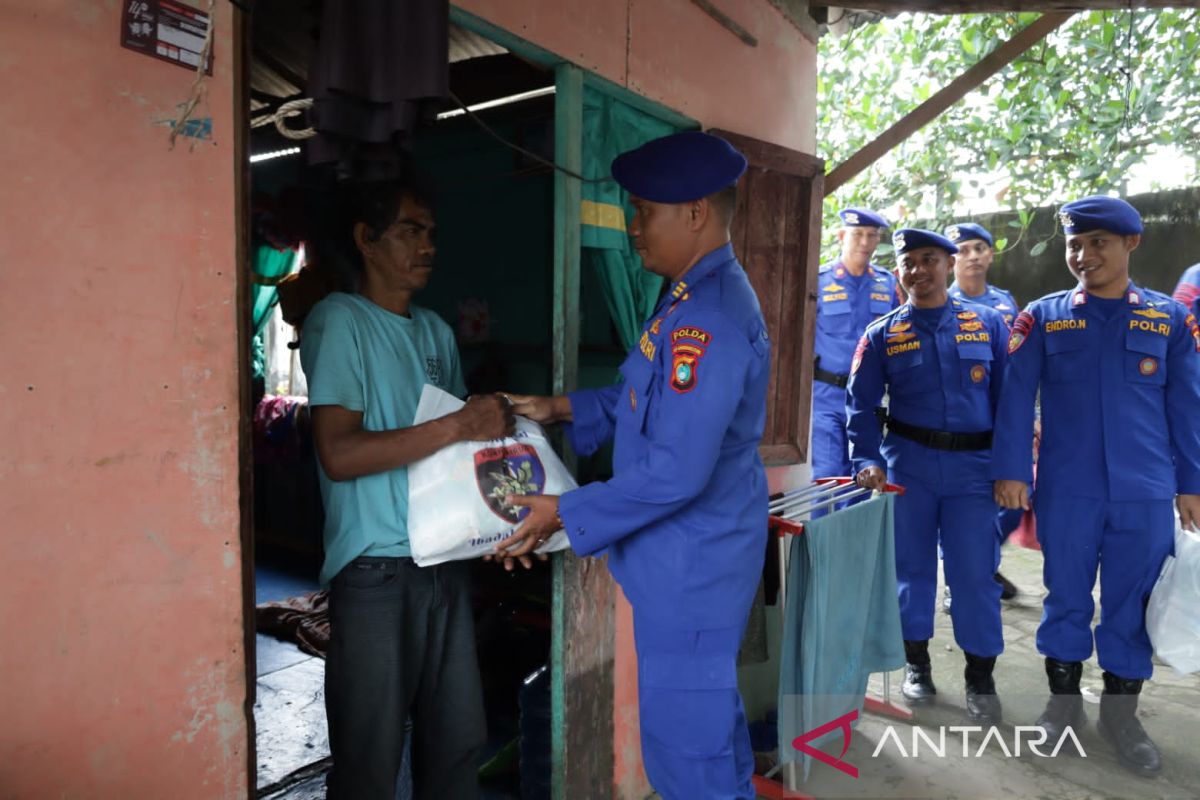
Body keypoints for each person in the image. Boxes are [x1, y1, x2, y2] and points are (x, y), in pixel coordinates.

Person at [495, 131, 770, 800]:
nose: (633, 228)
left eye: (644, 210)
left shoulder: (708, 318)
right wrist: (560, 408)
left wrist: (564, 511)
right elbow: (646, 403)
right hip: (689, 561)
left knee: (685, 756)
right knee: (709, 733)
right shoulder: (684, 298)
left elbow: (678, 469)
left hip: (693, 568)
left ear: (696, 212)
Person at [300, 176, 515, 800]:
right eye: (409, 231)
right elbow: (339, 454)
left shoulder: (435, 333)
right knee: (370, 755)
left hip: (443, 558)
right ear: (366, 240)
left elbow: (451, 457)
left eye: (431, 234)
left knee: (456, 741)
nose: (427, 246)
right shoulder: (340, 322)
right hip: (376, 569)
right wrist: (460, 423)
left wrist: (497, 526)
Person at [992, 195, 1200, 778]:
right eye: (1074, 245)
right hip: (1068, 488)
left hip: (1145, 489)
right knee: (1065, 599)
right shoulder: (1044, 315)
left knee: (1129, 605)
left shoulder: (1170, 319)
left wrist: (1192, 483)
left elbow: (1188, 408)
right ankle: (1063, 707)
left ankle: (1121, 715)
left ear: (1130, 244)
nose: (1083, 256)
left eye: (1097, 243)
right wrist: (1011, 471)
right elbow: (1014, 398)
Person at [847, 228, 1009, 723]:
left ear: (948, 263)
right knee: (910, 572)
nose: (918, 270)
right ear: (899, 270)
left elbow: (1011, 402)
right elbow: (860, 405)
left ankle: (980, 675)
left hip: (973, 473)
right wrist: (867, 459)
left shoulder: (988, 326)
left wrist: (1011, 469)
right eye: (908, 261)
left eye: (928, 259)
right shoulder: (881, 335)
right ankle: (917, 663)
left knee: (974, 574)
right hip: (908, 467)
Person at [943, 221, 1021, 605]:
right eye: (963, 249)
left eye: (979, 248)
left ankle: (980, 560)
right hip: (958, 422)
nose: (972, 256)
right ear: (951, 259)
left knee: (1019, 496)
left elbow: (1019, 364)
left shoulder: (1005, 304)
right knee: (962, 502)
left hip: (1000, 419)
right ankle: (965, 570)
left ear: (991, 254)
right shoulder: (938, 302)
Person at [811, 207, 902, 483]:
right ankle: (821, 529)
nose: (864, 241)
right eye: (858, 234)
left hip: (868, 399)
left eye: (871, 235)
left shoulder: (886, 284)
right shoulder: (818, 281)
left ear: (878, 241)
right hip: (825, 398)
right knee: (826, 480)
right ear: (841, 236)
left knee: (863, 479)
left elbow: (898, 339)